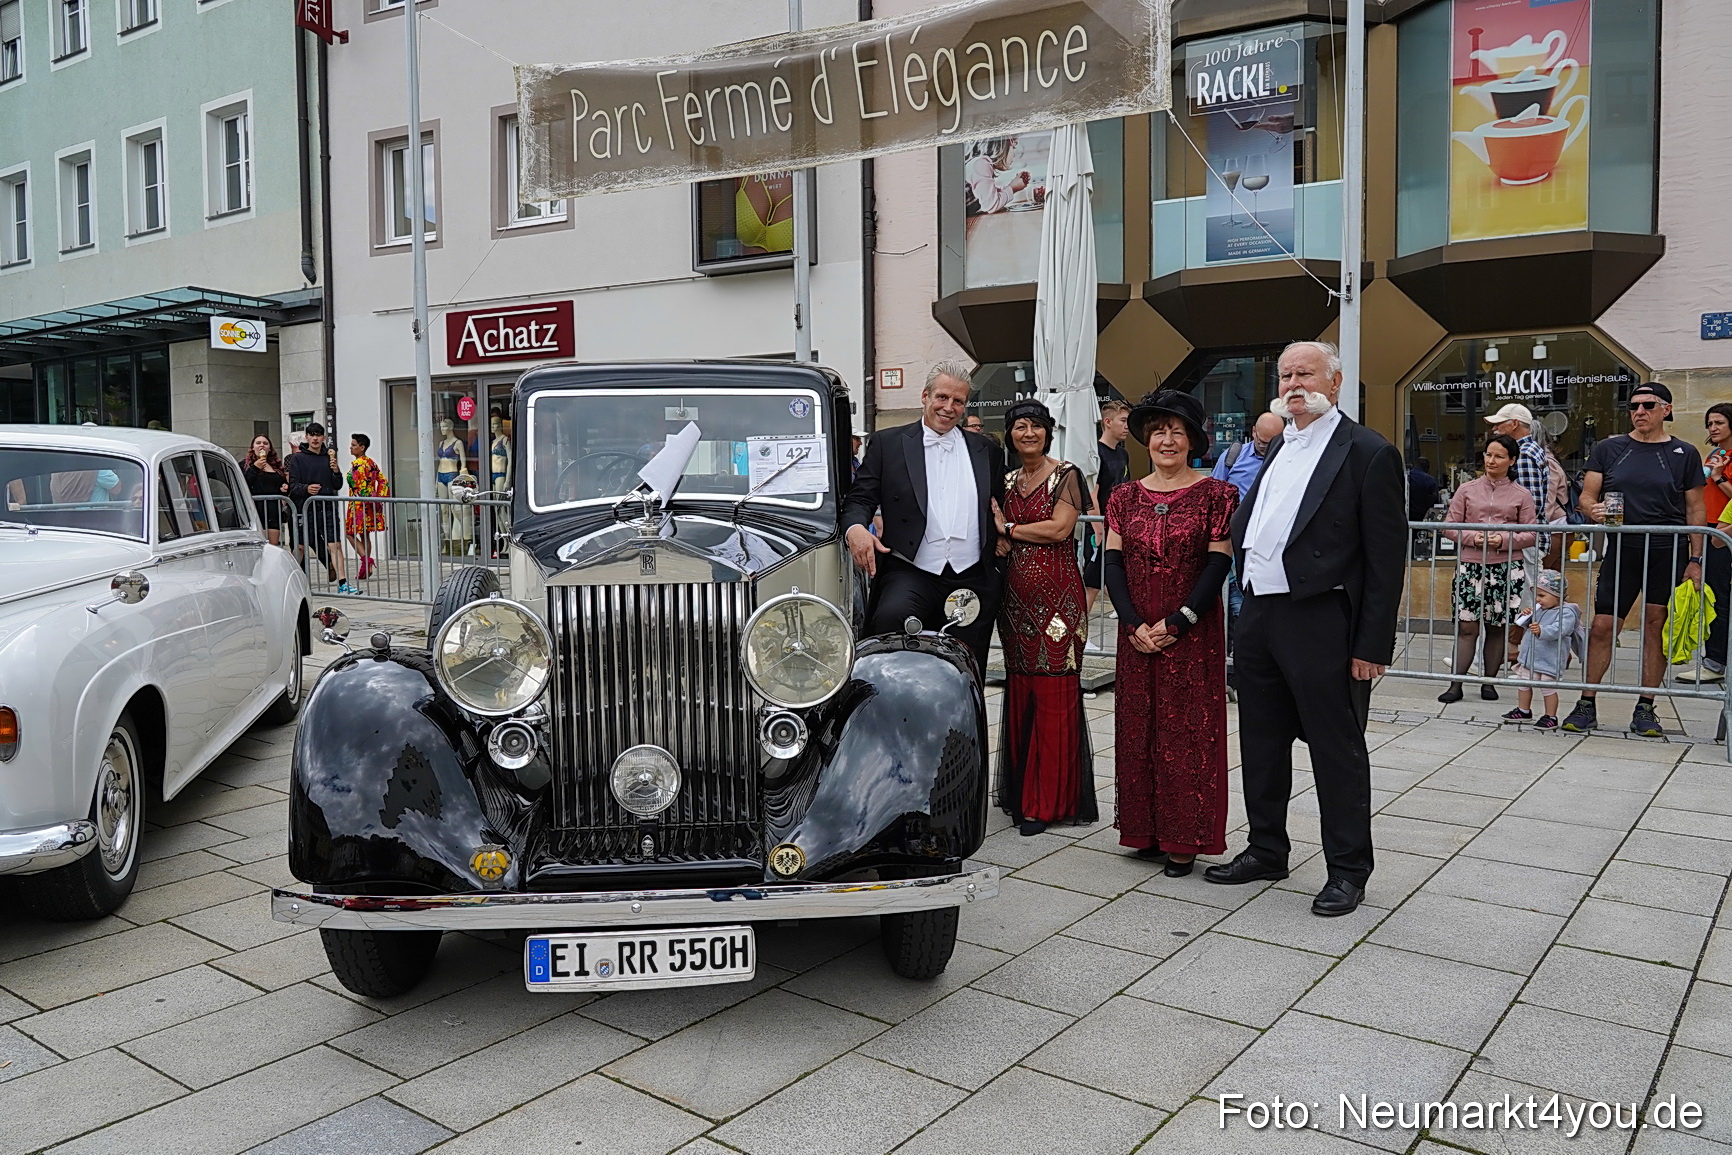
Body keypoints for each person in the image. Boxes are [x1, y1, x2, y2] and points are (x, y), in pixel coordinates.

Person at [1206, 341, 1406, 917]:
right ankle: (1266, 848)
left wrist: (1372, 646)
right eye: (1286, 374)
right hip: (1259, 613)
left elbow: (1385, 561)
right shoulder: (1277, 447)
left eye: (1306, 373)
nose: (1294, 383)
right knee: (1261, 742)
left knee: (1335, 749)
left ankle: (1347, 869)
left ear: (1336, 382)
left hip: (1322, 618)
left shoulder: (1369, 452)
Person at [1103, 391, 1236, 876]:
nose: (1167, 440)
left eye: (1177, 431)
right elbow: (1112, 563)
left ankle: (1185, 836)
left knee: (1186, 731)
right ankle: (1145, 830)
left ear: (1193, 441)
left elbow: (1218, 562)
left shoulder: (1216, 495)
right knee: (1139, 729)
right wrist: (1131, 622)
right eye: (1159, 430)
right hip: (1136, 629)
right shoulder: (1123, 496)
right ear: (1145, 438)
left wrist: (1182, 620)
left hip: (1192, 631)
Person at [842, 362, 1006, 672]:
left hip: (971, 574)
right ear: (925, 396)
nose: (949, 407)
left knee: (966, 670)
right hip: (912, 569)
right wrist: (855, 529)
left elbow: (1000, 504)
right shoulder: (888, 444)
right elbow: (859, 498)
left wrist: (1006, 535)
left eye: (958, 401)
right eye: (942, 397)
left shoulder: (987, 450)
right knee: (891, 638)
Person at [1563, 382, 1705, 736]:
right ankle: (1586, 703)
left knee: (1655, 625)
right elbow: (1587, 496)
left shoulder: (1684, 453)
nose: (1639, 412)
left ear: (1666, 410)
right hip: (1623, 548)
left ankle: (1646, 707)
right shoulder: (1610, 448)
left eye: (1648, 405)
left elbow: (1695, 508)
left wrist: (1697, 558)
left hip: (1667, 549)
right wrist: (1591, 510)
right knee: (1602, 626)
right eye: (1633, 406)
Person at [993, 399, 1097, 836]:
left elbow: (1060, 529)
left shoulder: (1066, 474)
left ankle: (1048, 801)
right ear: (1010, 435)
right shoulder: (1007, 479)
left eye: (1036, 426)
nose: (1028, 433)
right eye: (1020, 426)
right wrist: (998, 538)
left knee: (1054, 690)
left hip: (1058, 602)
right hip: (1014, 601)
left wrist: (1009, 531)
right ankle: (1022, 793)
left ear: (1048, 431)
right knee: (1021, 688)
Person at [1436, 435, 1538, 704]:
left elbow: (1531, 534)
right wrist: (1474, 537)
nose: (1491, 461)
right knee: (1467, 627)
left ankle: (1489, 682)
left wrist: (1504, 540)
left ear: (1512, 460)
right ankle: (1456, 684)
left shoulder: (1521, 494)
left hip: (1506, 568)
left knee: (1497, 627)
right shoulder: (1467, 489)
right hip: (1471, 566)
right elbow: (1449, 525)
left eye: (1499, 456)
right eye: (1488, 454)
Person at [1210, 411, 1285, 638]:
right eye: (1263, 442)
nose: (1266, 448)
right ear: (1253, 432)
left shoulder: (1288, 460)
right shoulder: (1233, 457)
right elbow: (1214, 493)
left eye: (1273, 442)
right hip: (1237, 544)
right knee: (1238, 603)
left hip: (1273, 545)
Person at [1678, 403, 1732, 684]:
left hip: (1725, 532)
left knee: (1719, 595)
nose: (1713, 428)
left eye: (1719, 422)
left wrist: (1720, 476)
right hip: (1708, 528)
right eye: (1710, 423)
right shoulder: (1715, 453)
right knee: (1711, 593)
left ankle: (1716, 661)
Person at [1503, 569, 1583, 730]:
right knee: (1524, 683)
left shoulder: (1566, 612)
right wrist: (1523, 616)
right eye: (1537, 595)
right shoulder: (1539, 609)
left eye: (1542, 596)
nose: (1538, 600)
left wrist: (1542, 631)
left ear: (1557, 595)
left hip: (1549, 657)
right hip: (1530, 656)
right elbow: (1525, 624)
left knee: (1547, 687)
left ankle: (1550, 716)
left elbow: (1560, 629)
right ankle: (1524, 710)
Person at [287, 422, 356, 594]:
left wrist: (336, 471)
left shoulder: (329, 458)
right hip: (305, 508)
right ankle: (292, 581)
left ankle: (343, 583)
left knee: (335, 545)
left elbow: (338, 484)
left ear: (323, 437)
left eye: (318, 435)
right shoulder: (298, 458)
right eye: (312, 434)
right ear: (307, 437)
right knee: (300, 547)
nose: (315, 438)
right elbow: (292, 486)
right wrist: (306, 488)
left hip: (327, 508)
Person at [1082, 400, 1132, 613]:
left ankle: (1128, 620)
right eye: (1123, 421)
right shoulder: (1096, 454)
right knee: (1092, 582)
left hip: (1116, 526)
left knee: (1114, 576)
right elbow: (1092, 494)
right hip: (1099, 528)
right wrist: (1098, 530)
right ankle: (1079, 632)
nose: (1127, 426)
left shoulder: (1123, 454)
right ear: (1108, 422)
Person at [345, 434, 389, 582]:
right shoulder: (371, 463)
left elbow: (359, 485)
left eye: (353, 445)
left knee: (349, 533)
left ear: (362, 447)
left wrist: (364, 495)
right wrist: (377, 498)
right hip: (368, 504)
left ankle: (366, 560)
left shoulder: (358, 464)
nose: (350, 447)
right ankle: (365, 567)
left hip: (358, 504)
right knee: (365, 535)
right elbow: (383, 481)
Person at [241, 434, 289, 547]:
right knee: (257, 546)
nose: (262, 445)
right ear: (253, 447)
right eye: (258, 443)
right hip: (255, 509)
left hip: (273, 510)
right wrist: (255, 467)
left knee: (273, 546)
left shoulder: (275, 466)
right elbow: (244, 483)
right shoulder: (245, 465)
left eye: (265, 443)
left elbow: (282, 486)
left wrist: (284, 488)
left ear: (269, 448)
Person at [1407, 456, 1441, 522]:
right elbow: (1435, 501)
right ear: (1427, 468)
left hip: (1407, 514)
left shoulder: (1406, 477)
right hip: (1423, 516)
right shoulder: (1430, 480)